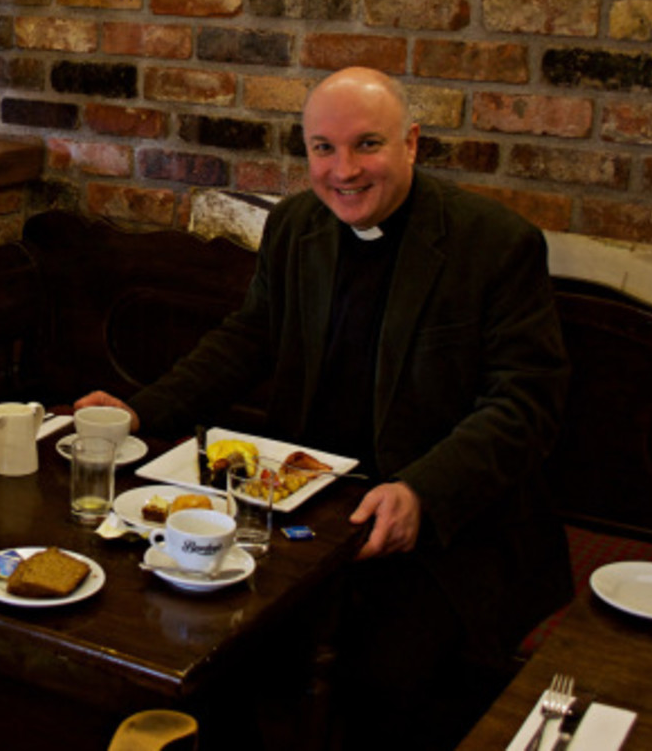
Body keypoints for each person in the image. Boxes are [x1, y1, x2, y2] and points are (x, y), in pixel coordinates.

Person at [77, 67, 572, 749]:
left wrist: (421, 492)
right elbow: (249, 339)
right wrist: (138, 411)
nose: (343, 170)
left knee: (384, 680)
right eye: (322, 148)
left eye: (367, 144)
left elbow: (525, 401)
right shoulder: (296, 225)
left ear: (412, 144)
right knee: (194, 635)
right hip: (306, 507)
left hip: (446, 525)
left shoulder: (493, 243)